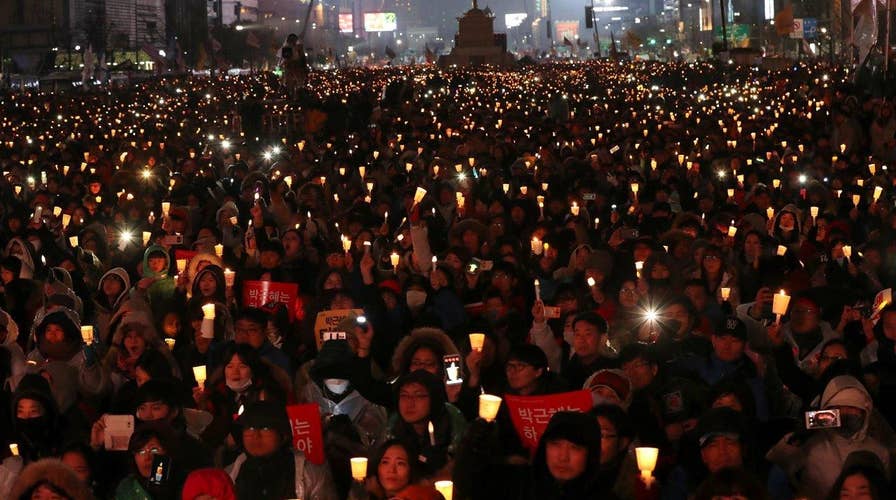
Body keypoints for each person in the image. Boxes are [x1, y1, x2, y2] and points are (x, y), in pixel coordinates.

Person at [225, 400, 336, 500]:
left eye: (265, 428)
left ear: (283, 435)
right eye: (250, 428)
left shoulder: (309, 472)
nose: (256, 435)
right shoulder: (234, 471)